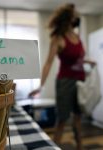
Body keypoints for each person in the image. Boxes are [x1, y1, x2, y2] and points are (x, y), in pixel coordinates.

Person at [29, 3, 95, 150]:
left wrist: (88, 61)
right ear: (68, 19)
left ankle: (80, 147)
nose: (77, 18)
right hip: (65, 82)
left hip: (80, 81)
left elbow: (78, 58)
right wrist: (41, 86)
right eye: (74, 16)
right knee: (62, 119)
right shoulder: (58, 39)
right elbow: (48, 63)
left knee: (78, 118)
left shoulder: (77, 37)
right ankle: (54, 147)